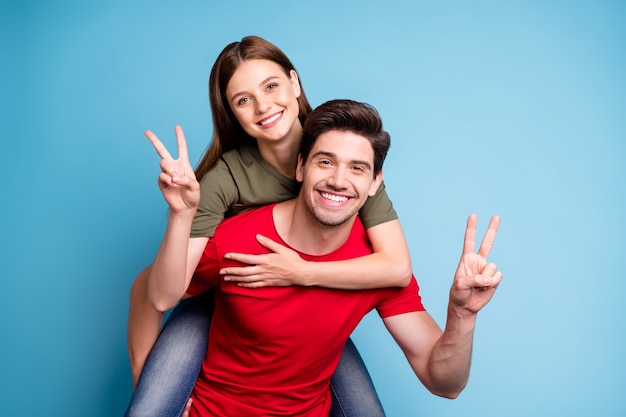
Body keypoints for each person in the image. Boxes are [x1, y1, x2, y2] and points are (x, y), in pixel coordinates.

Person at [147, 99, 502, 416]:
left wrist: (462, 315)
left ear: (375, 182)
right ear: (301, 168)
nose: (338, 180)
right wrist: (181, 216)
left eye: (357, 168)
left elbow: (445, 384)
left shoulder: (376, 269)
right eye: (325, 161)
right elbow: (162, 295)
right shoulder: (235, 240)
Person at [126, 36, 412, 417]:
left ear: (295, 84)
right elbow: (156, 292)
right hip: (229, 301)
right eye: (243, 100)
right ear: (232, 113)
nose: (263, 106)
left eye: (271, 86)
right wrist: (148, 380)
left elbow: (395, 267)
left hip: (307, 308)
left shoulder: (342, 157)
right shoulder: (224, 178)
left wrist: (302, 272)